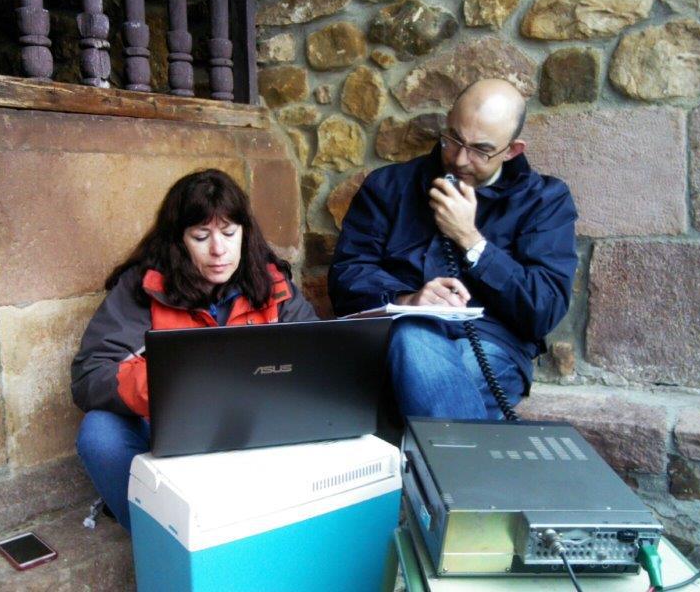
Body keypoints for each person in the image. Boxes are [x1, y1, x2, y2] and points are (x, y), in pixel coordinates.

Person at [71, 169, 318, 530]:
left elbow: (315, 358)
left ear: (245, 234)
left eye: (229, 233)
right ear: (178, 240)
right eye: (201, 236)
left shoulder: (272, 284)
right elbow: (90, 374)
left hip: (257, 432)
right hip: (172, 434)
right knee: (99, 433)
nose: (218, 249)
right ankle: (159, 540)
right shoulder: (144, 287)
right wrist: (169, 385)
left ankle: (262, 523)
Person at [329, 79, 578, 421]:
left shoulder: (545, 201)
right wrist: (407, 300)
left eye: (480, 150)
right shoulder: (389, 186)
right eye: (454, 140)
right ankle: (469, 456)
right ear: (447, 122)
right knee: (411, 339)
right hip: (395, 335)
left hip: (489, 344)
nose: (460, 159)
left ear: (512, 151)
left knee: (428, 379)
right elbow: (346, 275)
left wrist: (471, 241)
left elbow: (544, 308)